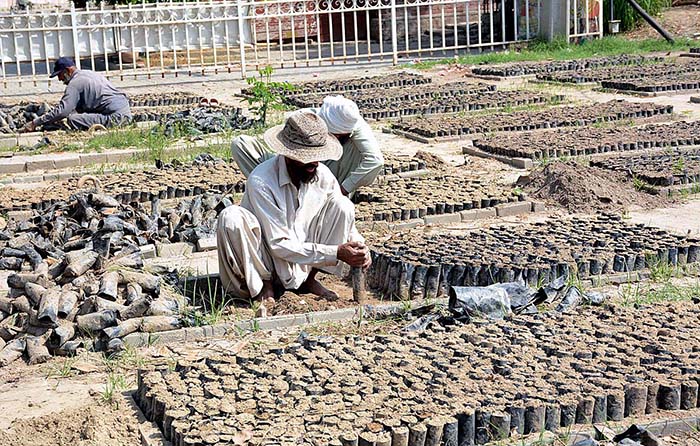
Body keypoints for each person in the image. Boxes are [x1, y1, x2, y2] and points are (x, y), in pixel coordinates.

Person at [217, 111, 371, 306]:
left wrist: (359, 245)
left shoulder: (322, 175)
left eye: (317, 157)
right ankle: (264, 286)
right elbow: (279, 244)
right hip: (266, 257)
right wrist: (336, 253)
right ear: (287, 154)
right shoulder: (262, 181)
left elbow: (347, 223)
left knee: (343, 205)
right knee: (230, 217)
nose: (314, 163)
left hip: (303, 256)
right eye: (306, 157)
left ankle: (307, 281)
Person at [232, 95, 383, 196]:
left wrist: (343, 189)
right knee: (241, 143)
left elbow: (376, 161)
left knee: (355, 148)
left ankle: (323, 195)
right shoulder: (303, 118)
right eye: (334, 135)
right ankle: (279, 189)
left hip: (328, 180)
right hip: (292, 170)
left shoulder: (355, 127)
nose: (337, 138)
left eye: (340, 137)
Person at [21, 57, 132, 132]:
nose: (60, 79)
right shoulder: (88, 73)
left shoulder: (75, 84)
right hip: (124, 111)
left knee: (73, 119)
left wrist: (35, 123)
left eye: (60, 75)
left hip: (116, 117)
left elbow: (63, 111)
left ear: (68, 70)